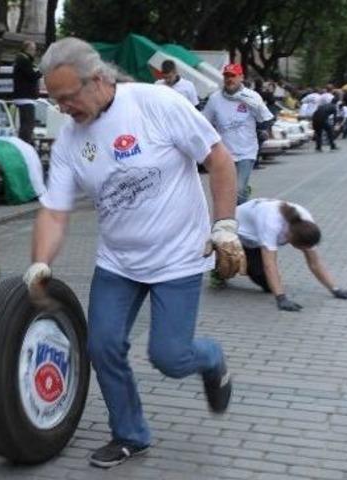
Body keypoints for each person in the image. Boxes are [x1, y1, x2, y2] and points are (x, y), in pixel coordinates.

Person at [24, 37, 245, 468]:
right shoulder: (70, 141)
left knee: (170, 356)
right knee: (102, 345)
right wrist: (40, 263)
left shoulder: (155, 104)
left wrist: (224, 226)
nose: (64, 108)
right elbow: (54, 210)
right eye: (56, 100)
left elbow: (219, 159)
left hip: (178, 257)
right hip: (118, 262)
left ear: (100, 80)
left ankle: (211, 359)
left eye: (69, 98)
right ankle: (130, 433)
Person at [235, 198, 347, 311]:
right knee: (255, 271)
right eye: (301, 248)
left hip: (257, 239)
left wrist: (336, 289)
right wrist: (281, 298)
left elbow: (314, 263)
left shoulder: (305, 223)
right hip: (238, 232)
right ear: (290, 237)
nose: (303, 250)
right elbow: (269, 264)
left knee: (269, 285)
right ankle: (220, 263)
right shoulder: (271, 224)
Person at [202, 63, 274, 204]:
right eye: (226, 76)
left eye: (233, 76)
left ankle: (239, 217)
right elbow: (204, 122)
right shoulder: (215, 98)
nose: (229, 79)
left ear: (241, 77)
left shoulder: (252, 96)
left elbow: (265, 120)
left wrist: (257, 107)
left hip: (246, 152)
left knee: (238, 192)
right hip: (225, 152)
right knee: (227, 190)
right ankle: (236, 212)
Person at [12, 40, 41, 145]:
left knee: (26, 125)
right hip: (25, 98)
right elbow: (33, 75)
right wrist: (41, 70)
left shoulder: (23, 60)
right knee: (28, 126)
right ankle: (24, 146)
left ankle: (24, 144)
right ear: (27, 49)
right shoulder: (24, 60)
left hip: (24, 97)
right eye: (33, 49)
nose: (34, 52)